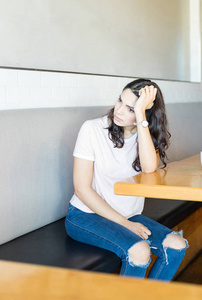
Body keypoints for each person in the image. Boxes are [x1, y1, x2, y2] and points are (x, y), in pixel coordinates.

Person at [65, 78, 187, 280]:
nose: (119, 110)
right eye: (120, 101)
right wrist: (125, 223)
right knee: (139, 251)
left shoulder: (145, 137)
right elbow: (82, 189)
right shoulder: (92, 129)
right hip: (85, 215)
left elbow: (149, 168)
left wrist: (140, 116)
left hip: (128, 215)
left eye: (131, 108)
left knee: (176, 245)